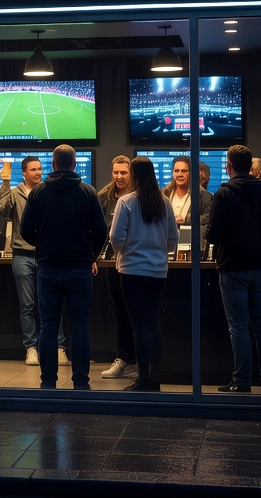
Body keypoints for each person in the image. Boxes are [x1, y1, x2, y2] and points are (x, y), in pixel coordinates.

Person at [21, 145, 107, 390]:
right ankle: (81, 381)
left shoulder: (38, 193)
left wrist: (44, 246)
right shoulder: (87, 192)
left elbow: (25, 231)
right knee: (80, 327)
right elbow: (101, 231)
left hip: (48, 268)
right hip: (79, 268)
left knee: (48, 327)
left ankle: (48, 381)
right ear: (75, 163)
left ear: (54, 163)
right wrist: (91, 255)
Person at [204, 144, 261, 393]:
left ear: (229, 166)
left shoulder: (223, 194)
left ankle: (242, 382)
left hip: (232, 267)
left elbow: (213, 234)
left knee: (239, 326)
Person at [110, 157, 176, 391]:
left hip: (131, 271)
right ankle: (154, 378)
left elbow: (116, 238)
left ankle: (143, 379)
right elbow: (173, 241)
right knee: (152, 324)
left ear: (135, 176)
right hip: (157, 271)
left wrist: (125, 249)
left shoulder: (126, 202)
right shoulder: (165, 203)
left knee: (139, 327)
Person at [0, 155, 67, 367]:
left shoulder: (47, 190)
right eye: (33, 170)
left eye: (39, 169)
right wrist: (5, 182)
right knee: (27, 305)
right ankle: (31, 348)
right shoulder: (15, 193)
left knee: (53, 302)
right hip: (22, 255)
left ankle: (59, 348)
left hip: (47, 254)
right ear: (25, 173)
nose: (38, 172)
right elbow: (2, 209)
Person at [97, 155, 137, 380]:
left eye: (123, 172)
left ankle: (139, 359)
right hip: (112, 262)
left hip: (136, 261)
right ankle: (123, 358)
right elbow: (97, 230)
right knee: (120, 312)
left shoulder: (141, 196)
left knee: (137, 313)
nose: (119, 177)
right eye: (116, 173)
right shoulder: (104, 196)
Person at [165, 156, 213, 228]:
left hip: (191, 238)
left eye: (184, 171)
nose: (180, 174)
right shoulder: (164, 194)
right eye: (176, 171)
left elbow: (208, 217)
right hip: (167, 238)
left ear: (191, 173)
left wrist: (186, 220)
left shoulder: (204, 195)